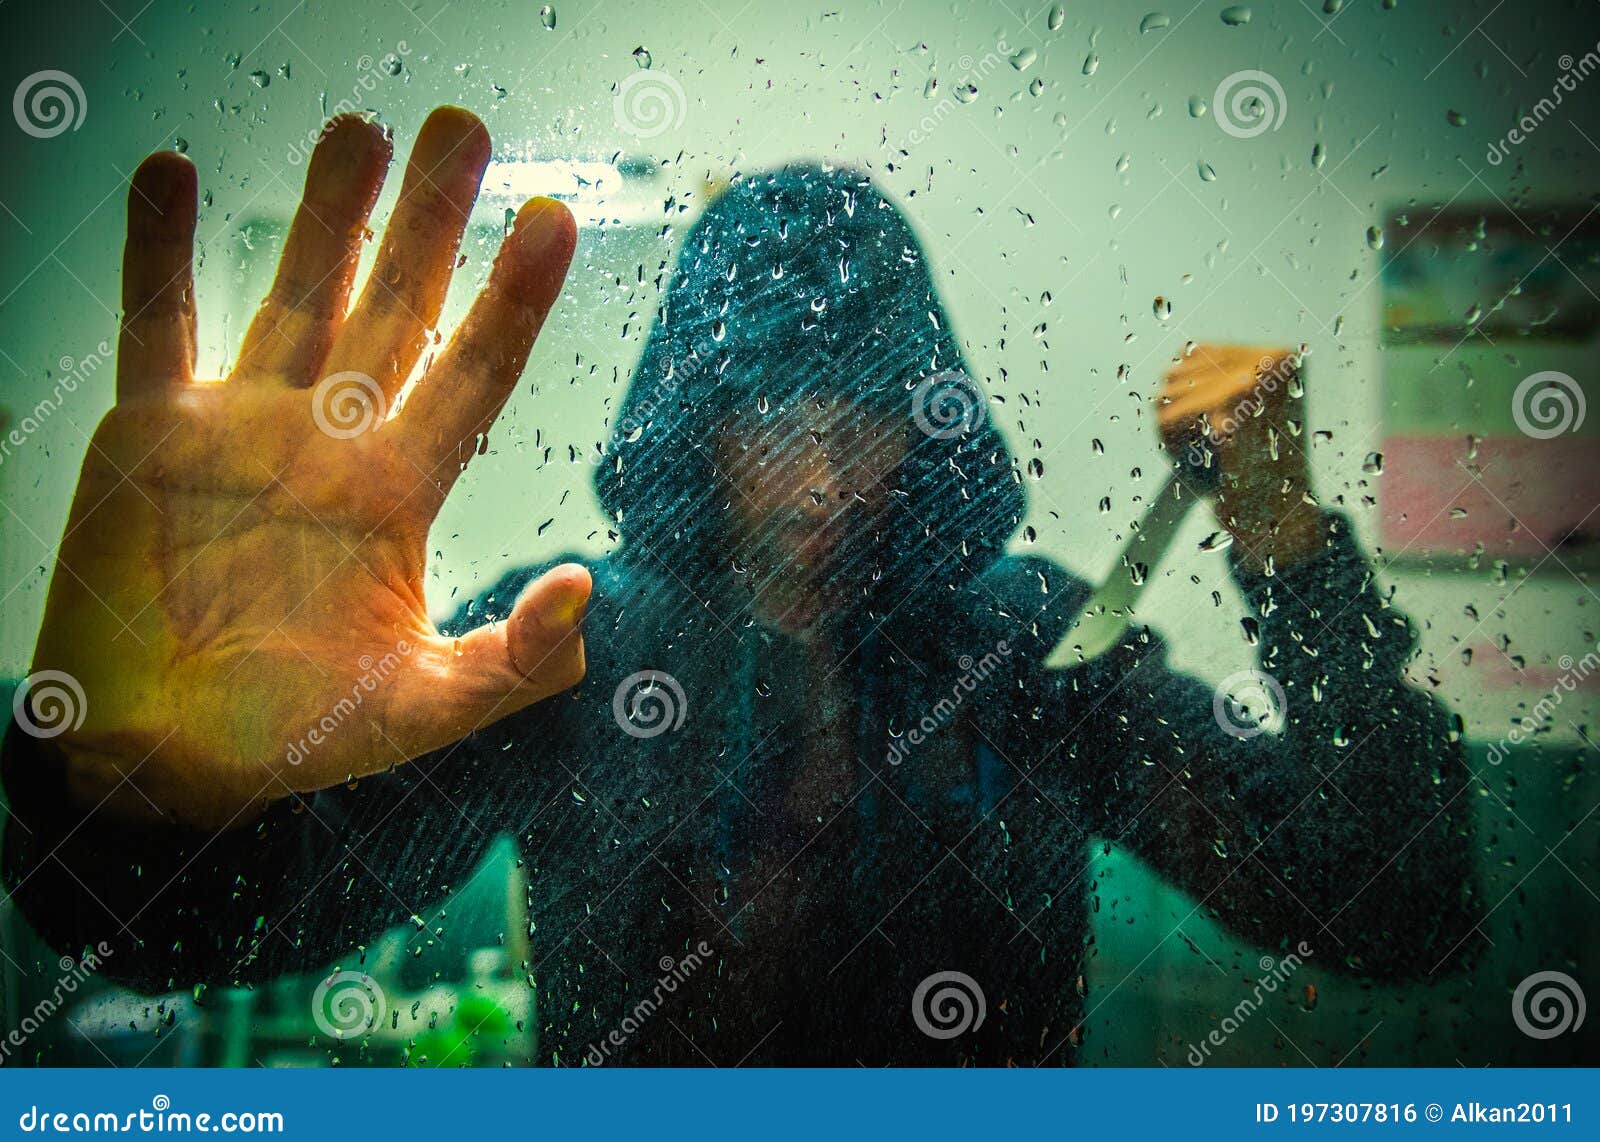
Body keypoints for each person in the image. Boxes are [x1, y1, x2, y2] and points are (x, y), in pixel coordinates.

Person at [2, 107, 1480, 1065]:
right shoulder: (561, 640)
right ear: (698, 425)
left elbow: (1392, 904)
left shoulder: (1028, 648)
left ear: (928, 417)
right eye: (773, 416)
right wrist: (132, 786)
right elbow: (204, 931)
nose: (824, 476)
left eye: (863, 414)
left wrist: (1287, 538)